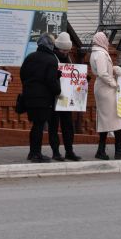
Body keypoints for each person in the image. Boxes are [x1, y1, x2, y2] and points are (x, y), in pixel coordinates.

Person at [89, 32, 121, 160]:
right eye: (106, 39)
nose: (107, 41)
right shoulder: (101, 54)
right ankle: (117, 150)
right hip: (106, 88)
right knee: (115, 118)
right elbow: (102, 73)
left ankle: (102, 150)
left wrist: (113, 68)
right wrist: (113, 83)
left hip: (102, 87)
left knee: (107, 120)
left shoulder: (96, 52)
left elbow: (101, 70)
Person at [20, 33, 61, 162]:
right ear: (50, 44)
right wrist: (58, 91)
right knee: (39, 125)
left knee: (35, 125)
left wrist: (30, 87)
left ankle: (32, 152)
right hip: (43, 98)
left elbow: (23, 74)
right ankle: (36, 153)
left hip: (29, 97)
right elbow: (50, 80)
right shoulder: (51, 59)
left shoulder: (30, 57)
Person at [48, 31, 82, 161]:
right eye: (63, 50)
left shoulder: (69, 58)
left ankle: (69, 150)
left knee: (68, 126)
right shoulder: (52, 58)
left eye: (67, 50)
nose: (66, 53)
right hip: (54, 97)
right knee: (53, 126)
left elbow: (73, 75)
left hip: (66, 98)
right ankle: (56, 151)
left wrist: (82, 80)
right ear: (58, 48)